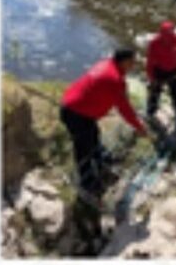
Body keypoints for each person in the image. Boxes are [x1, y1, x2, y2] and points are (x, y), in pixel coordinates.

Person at [59, 48, 149, 206]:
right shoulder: (114, 79)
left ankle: (102, 163)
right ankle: (88, 185)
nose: (134, 65)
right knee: (83, 149)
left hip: (75, 107)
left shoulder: (106, 64)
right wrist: (139, 127)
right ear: (124, 61)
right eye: (132, 62)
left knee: (93, 136)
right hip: (76, 114)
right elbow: (124, 109)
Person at [145, 21, 176, 131]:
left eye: (170, 34)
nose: (167, 38)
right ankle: (150, 112)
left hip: (173, 70)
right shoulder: (154, 43)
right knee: (155, 92)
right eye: (165, 34)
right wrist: (151, 78)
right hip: (159, 70)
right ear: (161, 33)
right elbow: (149, 62)